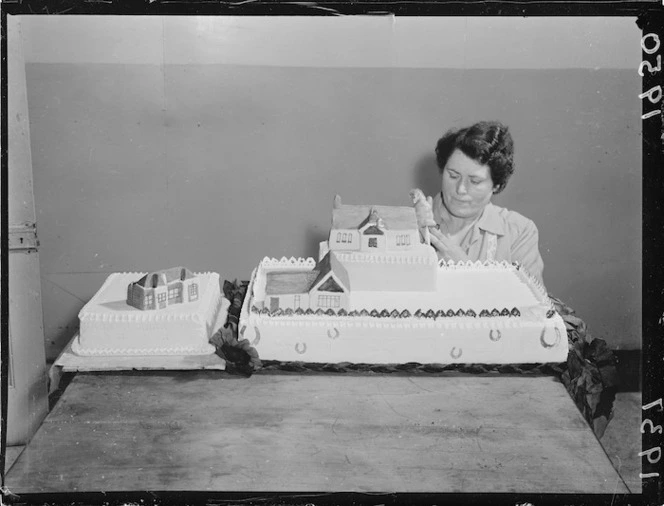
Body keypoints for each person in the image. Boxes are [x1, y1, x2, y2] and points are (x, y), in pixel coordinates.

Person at [427, 121, 546, 286]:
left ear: (496, 185)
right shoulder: (407, 224)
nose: (460, 189)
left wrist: (466, 272)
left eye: (475, 181)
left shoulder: (519, 232)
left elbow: (531, 308)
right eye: (453, 176)